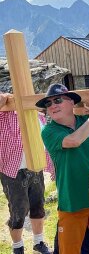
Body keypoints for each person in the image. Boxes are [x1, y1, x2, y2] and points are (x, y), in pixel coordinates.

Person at [37, 83, 89, 254]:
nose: (53, 105)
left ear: (71, 102)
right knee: (69, 251)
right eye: (48, 104)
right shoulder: (49, 131)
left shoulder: (87, 121)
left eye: (58, 100)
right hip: (71, 202)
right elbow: (74, 141)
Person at [0, 92, 53, 254]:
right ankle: (18, 247)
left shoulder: (35, 114)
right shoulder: (4, 114)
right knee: (18, 210)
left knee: (38, 206)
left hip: (35, 167)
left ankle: (38, 242)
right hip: (13, 170)